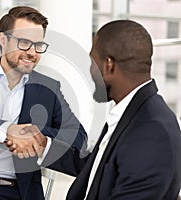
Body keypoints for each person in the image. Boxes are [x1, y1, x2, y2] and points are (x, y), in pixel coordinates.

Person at [22, 19, 181, 199]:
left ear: (108, 66)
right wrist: (45, 147)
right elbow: (100, 168)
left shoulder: (152, 133)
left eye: (92, 62)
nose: (90, 70)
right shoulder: (133, 113)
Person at [0, 6, 87, 200]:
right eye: (24, 43)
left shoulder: (48, 88)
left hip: (19, 192)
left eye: (38, 45)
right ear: (3, 40)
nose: (32, 52)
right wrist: (7, 130)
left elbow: (78, 137)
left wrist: (34, 135)